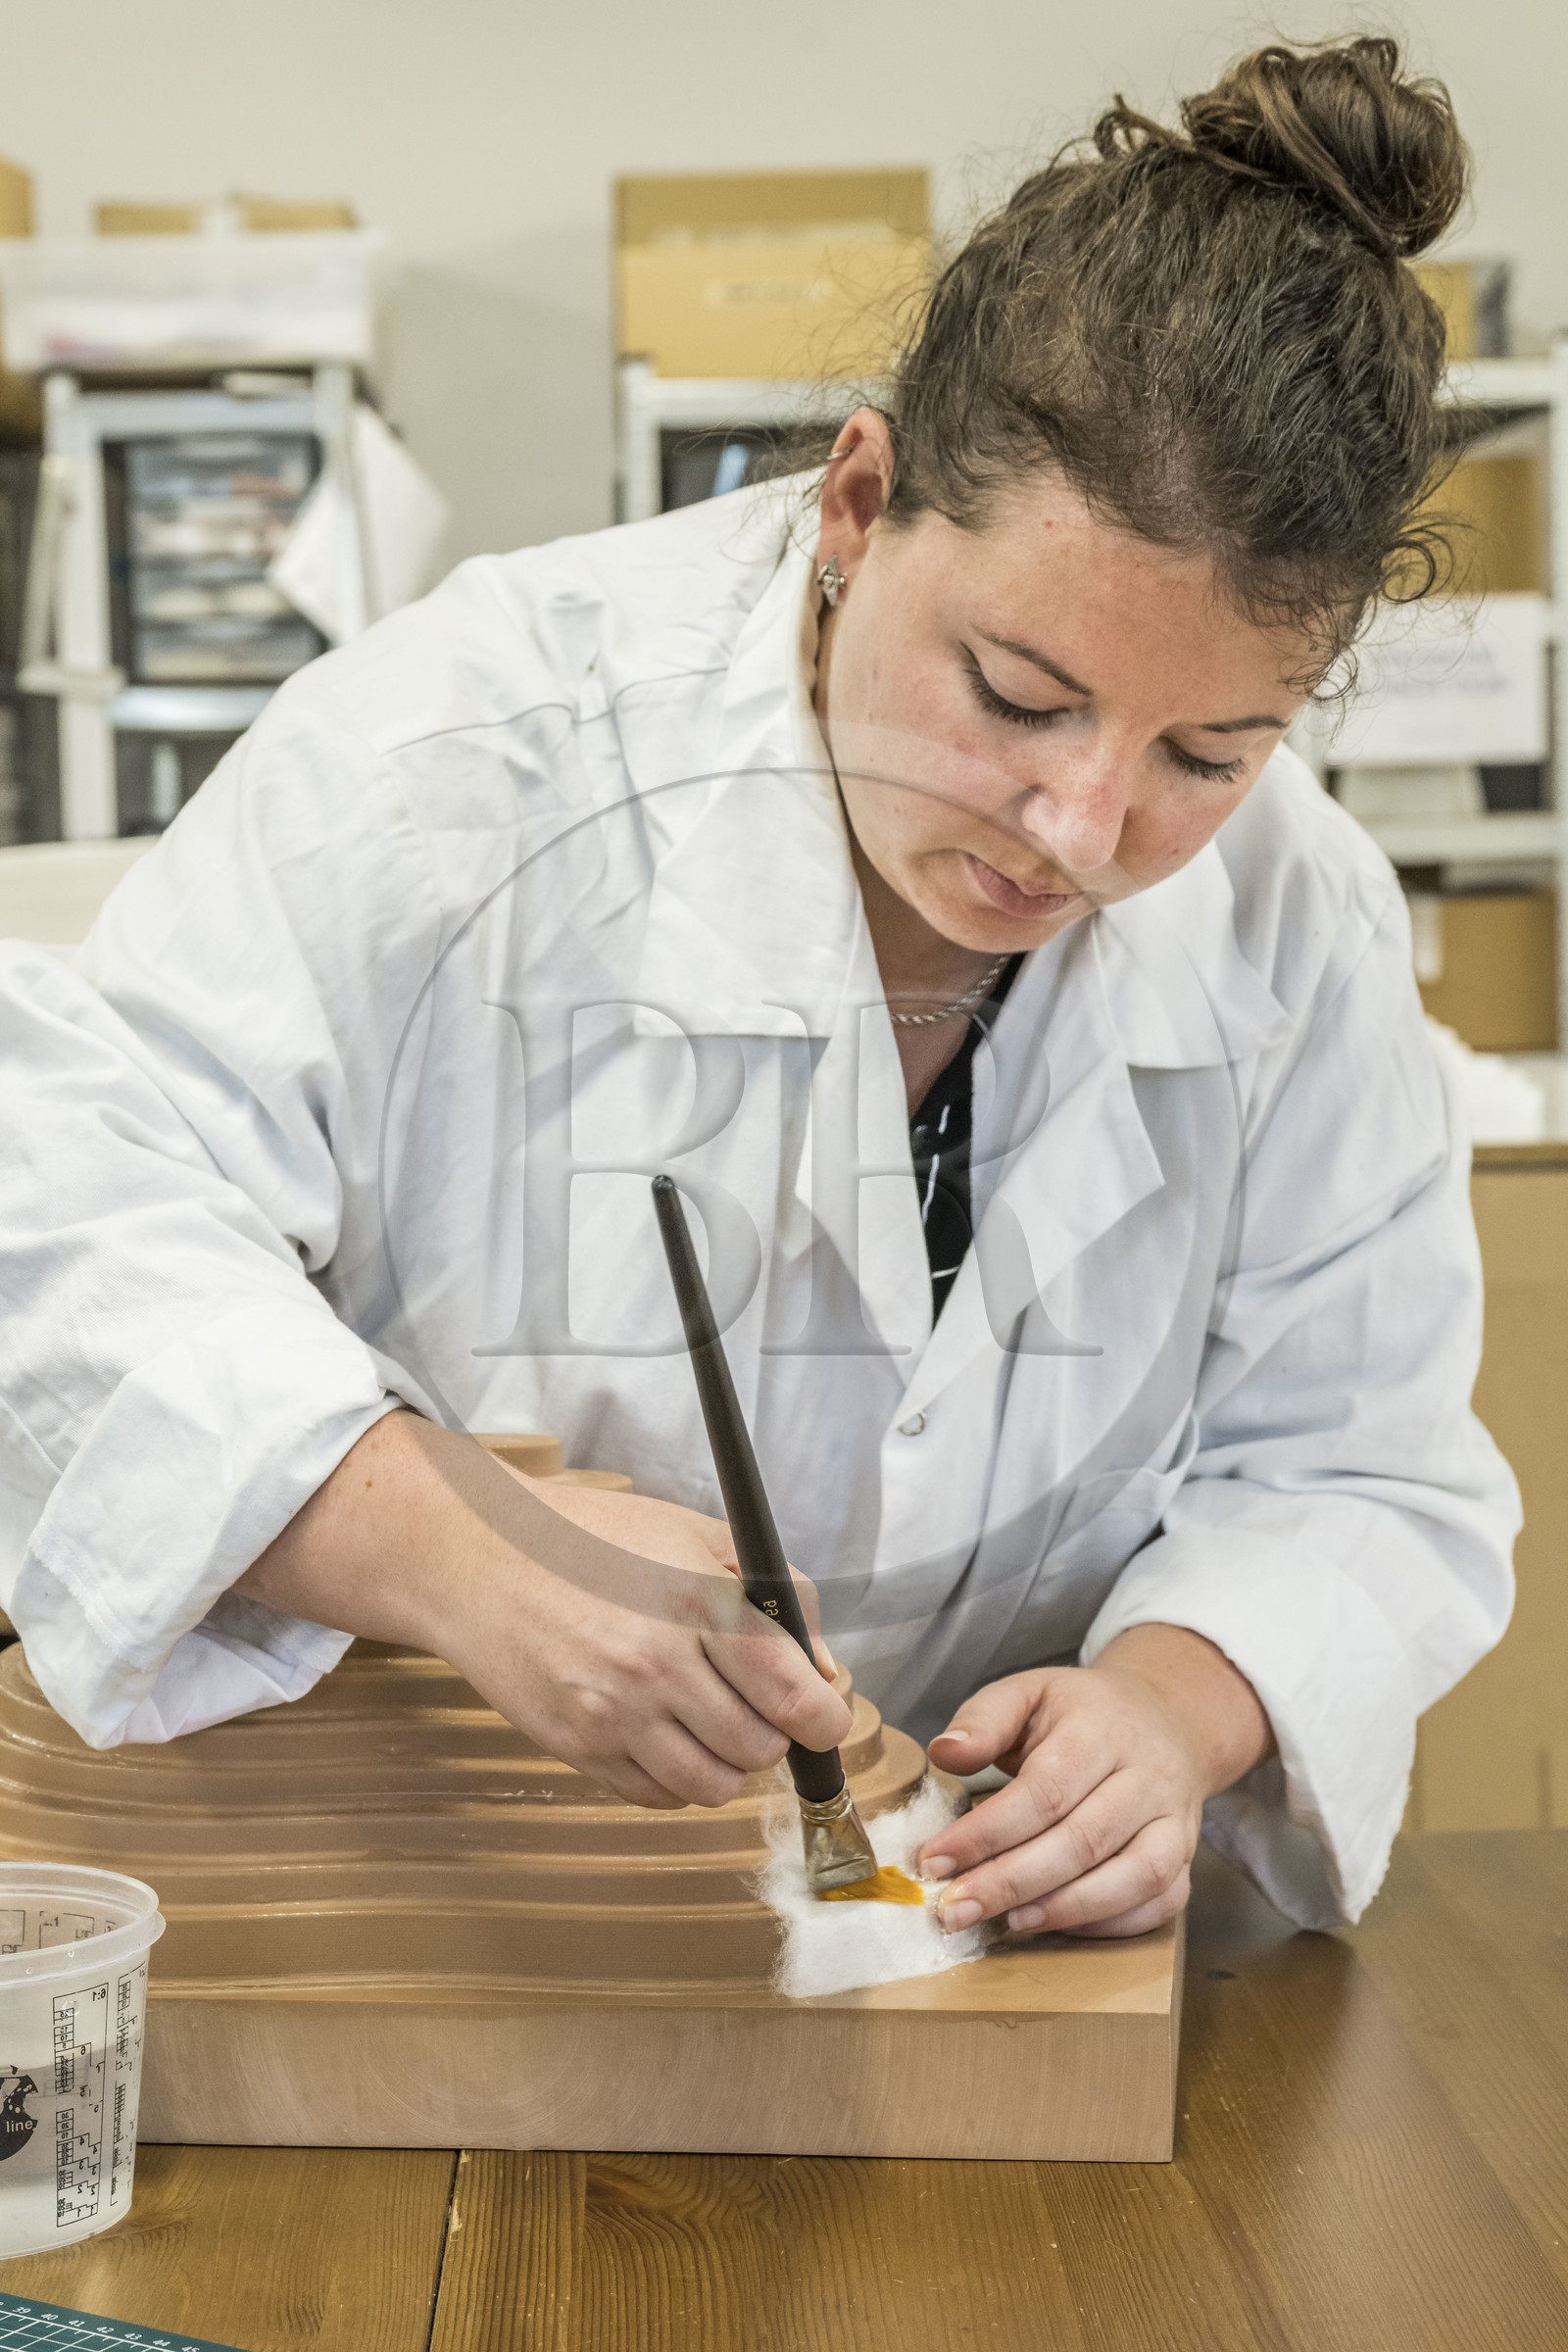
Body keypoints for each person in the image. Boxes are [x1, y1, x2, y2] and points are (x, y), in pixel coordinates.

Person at [0, 36, 1517, 1941]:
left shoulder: (1301, 917)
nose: (1077, 823)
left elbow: (1361, 1459)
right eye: (1018, 697)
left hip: (979, 1980)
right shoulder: (472, 749)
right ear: (858, 500)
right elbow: (49, 1204)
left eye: (1204, 753)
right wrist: (452, 1546)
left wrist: (1171, 1703)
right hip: (452, 1944)